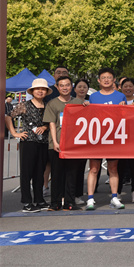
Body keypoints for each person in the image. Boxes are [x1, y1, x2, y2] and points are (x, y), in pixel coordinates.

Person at [86, 67, 126, 210]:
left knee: (113, 168)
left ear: (114, 80)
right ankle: (90, 198)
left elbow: (126, 117)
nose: (106, 80)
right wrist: (85, 107)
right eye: (103, 78)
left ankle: (114, 197)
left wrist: (124, 107)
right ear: (99, 80)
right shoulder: (93, 97)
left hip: (113, 138)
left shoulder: (120, 96)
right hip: (97, 138)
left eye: (109, 77)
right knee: (94, 169)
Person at [8, 78, 51, 212]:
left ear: (46, 91)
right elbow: (8, 116)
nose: (40, 91)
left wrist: (44, 127)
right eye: (37, 89)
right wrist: (14, 133)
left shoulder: (48, 106)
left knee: (40, 172)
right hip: (28, 142)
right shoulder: (24, 105)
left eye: (43, 89)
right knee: (27, 172)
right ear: (32, 91)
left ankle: (39, 199)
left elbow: (51, 122)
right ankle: (27, 202)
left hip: (43, 142)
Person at [43, 75, 84, 211]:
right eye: (62, 85)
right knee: (57, 174)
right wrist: (55, 142)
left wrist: (87, 105)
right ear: (57, 87)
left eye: (67, 85)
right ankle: (55, 203)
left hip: (73, 145)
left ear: (71, 86)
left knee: (71, 175)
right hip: (57, 144)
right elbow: (52, 124)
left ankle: (69, 203)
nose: (65, 88)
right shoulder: (52, 103)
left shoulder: (78, 102)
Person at [118, 78, 134, 202]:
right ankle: (118, 191)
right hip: (120, 138)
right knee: (120, 166)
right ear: (121, 88)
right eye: (125, 86)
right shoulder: (118, 100)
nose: (128, 88)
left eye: (130, 86)